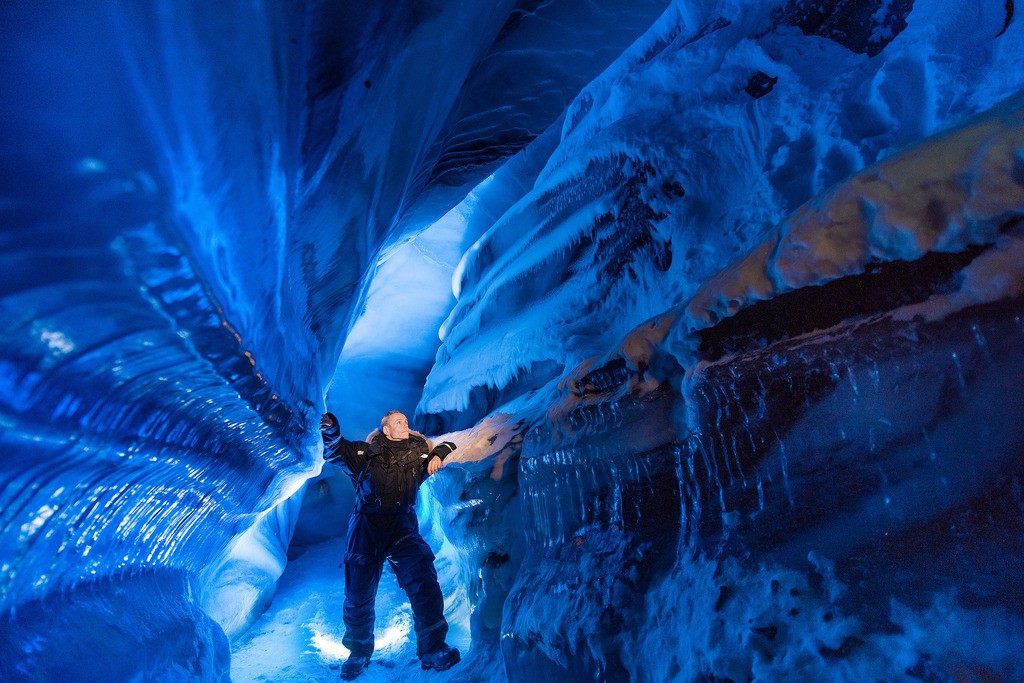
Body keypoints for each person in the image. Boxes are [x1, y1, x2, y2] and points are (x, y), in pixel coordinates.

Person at [320, 410, 460, 680]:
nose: (404, 423)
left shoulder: (419, 452)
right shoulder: (365, 455)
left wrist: (440, 452)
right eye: (398, 421)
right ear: (386, 430)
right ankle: (359, 652)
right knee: (358, 594)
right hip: (367, 528)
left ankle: (433, 647)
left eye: (406, 420)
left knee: (423, 577)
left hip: (401, 526)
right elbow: (336, 450)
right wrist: (331, 428)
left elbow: (452, 443)